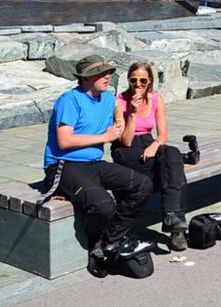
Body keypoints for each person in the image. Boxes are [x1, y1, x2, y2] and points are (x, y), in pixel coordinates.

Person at [41, 55, 153, 278]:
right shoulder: (70, 100)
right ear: (85, 79)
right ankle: (97, 248)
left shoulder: (108, 98)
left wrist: (121, 122)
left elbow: (117, 119)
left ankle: (109, 242)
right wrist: (104, 137)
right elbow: (64, 141)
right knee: (103, 204)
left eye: (108, 73)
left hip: (94, 163)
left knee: (142, 185)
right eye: (101, 74)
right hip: (64, 165)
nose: (107, 77)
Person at [112, 62, 189, 251]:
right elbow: (126, 141)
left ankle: (172, 215)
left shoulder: (156, 99)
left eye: (142, 80)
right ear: (128, 80)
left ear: (149, 81)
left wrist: (155, 145)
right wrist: (132, 113)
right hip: (125, 148)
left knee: (172, 153)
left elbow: (162, 135)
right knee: (173, 170)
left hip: (148, 142)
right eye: (133, 80)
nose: (138, 84)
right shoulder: (119, 101)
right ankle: (176, 228)